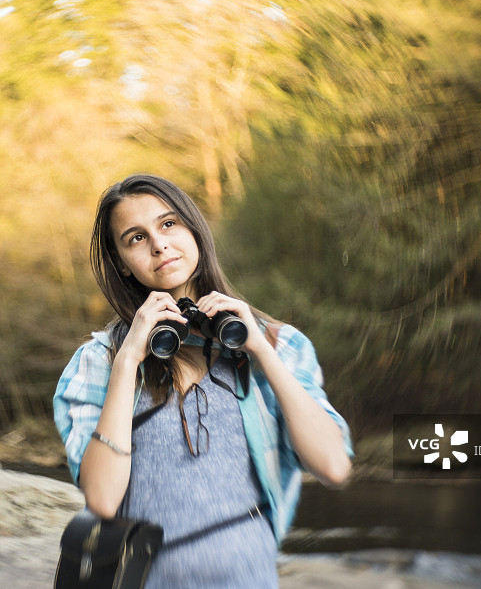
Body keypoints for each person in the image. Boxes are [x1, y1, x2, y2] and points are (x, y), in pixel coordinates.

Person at [54, 173, 353, 588]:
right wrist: (127, 363)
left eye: (169, 223)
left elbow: (333, 468)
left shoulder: (278, 344)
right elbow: (103, 500)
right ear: (121, 261)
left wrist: (261, 352)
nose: (159, 244)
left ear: (194, 229)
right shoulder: (98, 363)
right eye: (135, 238)